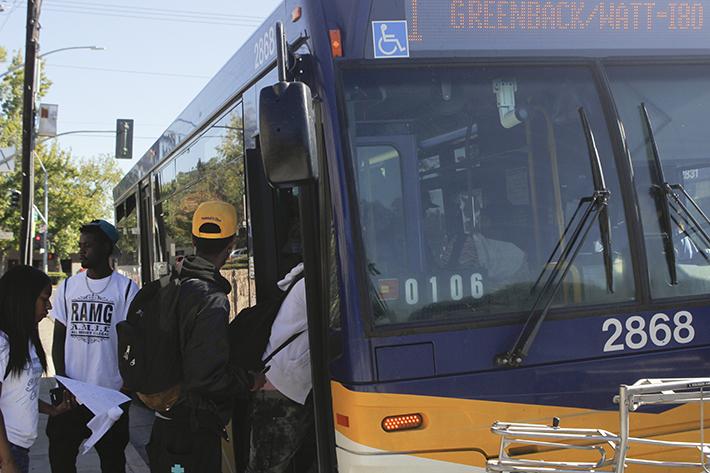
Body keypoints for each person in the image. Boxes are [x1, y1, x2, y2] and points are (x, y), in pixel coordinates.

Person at [148, 201, 265, 473]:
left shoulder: (170, 284)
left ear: (193, 239)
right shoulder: (211, 298)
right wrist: (250, 380)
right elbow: (205, 377)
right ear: (232, 242)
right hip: (192, 430)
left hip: (164, 422)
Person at [48, 219, 139, 473]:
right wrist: (62, 381)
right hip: (72, 395)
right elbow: (58, 339)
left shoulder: (127, 290)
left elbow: (134, 342)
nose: (82, 250)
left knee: (113, 462)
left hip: (111, 395)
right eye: (80, 245)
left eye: (88, 245)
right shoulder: (68, 286)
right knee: (62, 460)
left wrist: (127, 385)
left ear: (107, 247)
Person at [0, 266, 72, 473]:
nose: (48, 306)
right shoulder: (2, 344)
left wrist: (51, 410)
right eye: (44, 299)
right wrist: (7, 462)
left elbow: (18, 392)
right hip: (7, 452)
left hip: (20, 449)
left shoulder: (25, 339)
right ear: (22, 298)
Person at [247, 262, 315, 473]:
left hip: (288, 386)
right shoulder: (309, 284)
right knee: (266, 467)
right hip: (281, 389)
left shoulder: (304, 278)